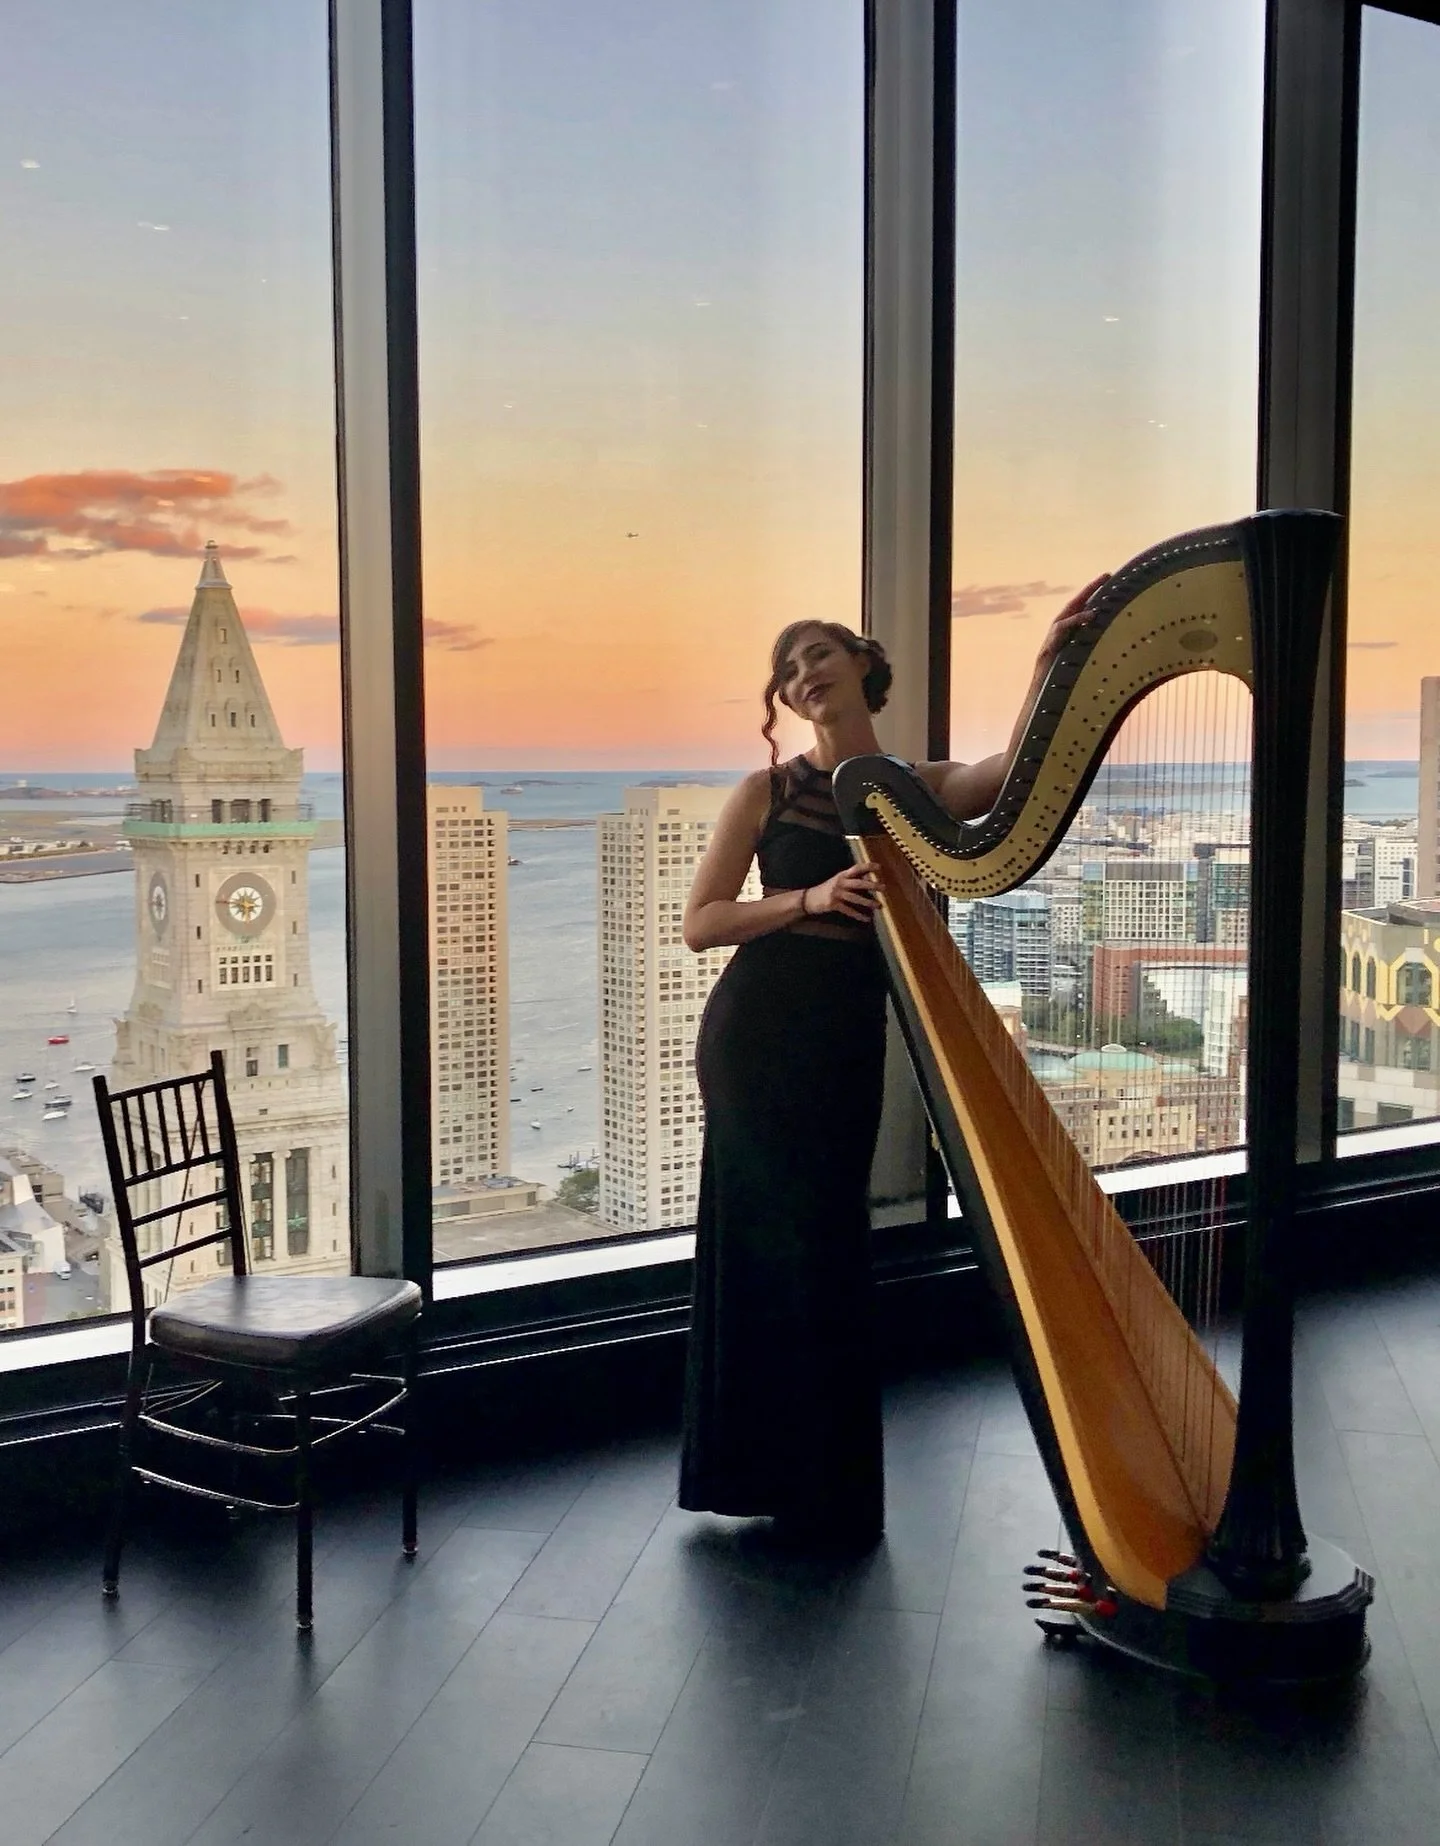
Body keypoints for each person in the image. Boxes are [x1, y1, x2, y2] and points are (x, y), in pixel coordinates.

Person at [679, 580, 1106, 1546]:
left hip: (844, 1033)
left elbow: (1009, 776)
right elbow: (702, 923)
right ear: (787, 698)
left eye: (819, 654)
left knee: (828, 1243)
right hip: (759, 1033)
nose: (804, 674)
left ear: (864, 665)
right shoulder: (768, 791)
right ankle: (758, 1474)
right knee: (767, 1244)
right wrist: (809, 898)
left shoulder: (915, 786)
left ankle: (818, 1485)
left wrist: (1049, 665)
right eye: (789, 669)